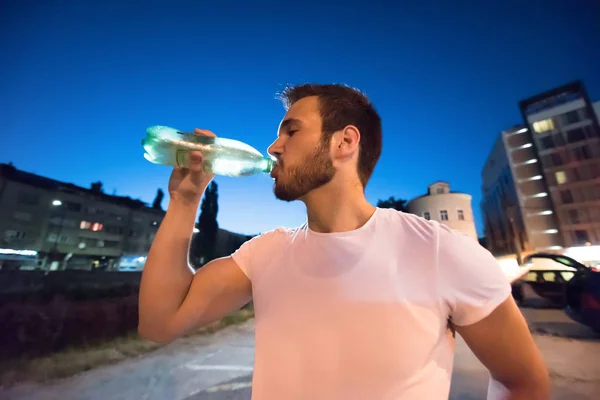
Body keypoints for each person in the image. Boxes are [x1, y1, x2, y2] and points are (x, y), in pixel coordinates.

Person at [138, 84, 550, 399]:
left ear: (344, 143)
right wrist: (184, 201)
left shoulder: (440, 251)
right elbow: (160, 322)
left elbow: (524, 383)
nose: (272, 147)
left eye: (291, 131)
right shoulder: (264, 253)